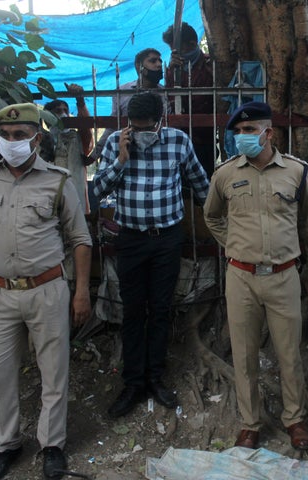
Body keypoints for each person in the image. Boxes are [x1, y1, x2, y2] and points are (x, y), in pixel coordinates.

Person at [0, 103, 92, 480]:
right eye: (5, 135)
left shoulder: (57, 180)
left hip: (47, 290)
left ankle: (52, 445)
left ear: (38, 137)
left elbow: (81, 239)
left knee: (53, 371)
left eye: (20, 135)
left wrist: (81, 291)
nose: (11, 142)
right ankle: (6, 444)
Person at [204, 101, 308, 450]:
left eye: (249, 130)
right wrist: (234, 244)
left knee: (289, 353)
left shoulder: (297, 172)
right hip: (241, 278)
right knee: (243, 355)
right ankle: (250, 423)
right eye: (238, 132)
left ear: (268, 133)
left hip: (284, 276)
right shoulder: (225, 174)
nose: (242, 136)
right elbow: (211, 216)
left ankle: (295, 419)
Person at [93, 92, 209, 418]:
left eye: (148, 127)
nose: (142, 131)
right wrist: (121, 160)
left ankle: (155, 378)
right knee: (132, 312)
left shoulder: (178, 141)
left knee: (160, 309)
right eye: (135, 125)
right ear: (128, 122)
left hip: (167, 239)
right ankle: (132, 383)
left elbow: (201, 185)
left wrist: (220, 218)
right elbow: (98, 191)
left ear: (161, 120)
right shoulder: (117, 142)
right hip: (130, 239)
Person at [92, 48, 165, 160]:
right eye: (153, 61)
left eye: (160, 61)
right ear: (138, 66)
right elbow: (112, 125)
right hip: (127, 150)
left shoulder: (166, 94)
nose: (159, 64)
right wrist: (96, 154)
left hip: (158, 151)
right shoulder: (122, 92)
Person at [162, 22, 215, 176]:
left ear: (192, 44)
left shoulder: (210, 64)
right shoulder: (171, 69)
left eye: (178, 49)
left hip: (206, 139)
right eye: (171, 49)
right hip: (179, 138)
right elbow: (172, 101)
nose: (174, 53)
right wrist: (173, 74)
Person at [44, 83, 94, 214]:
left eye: (66, 110)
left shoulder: (76, 137)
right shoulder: (42, 139)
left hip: (75, 198)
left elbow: (86, 128)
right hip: (49, 197)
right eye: (58, 111)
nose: (64, 114)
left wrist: (80, 101)